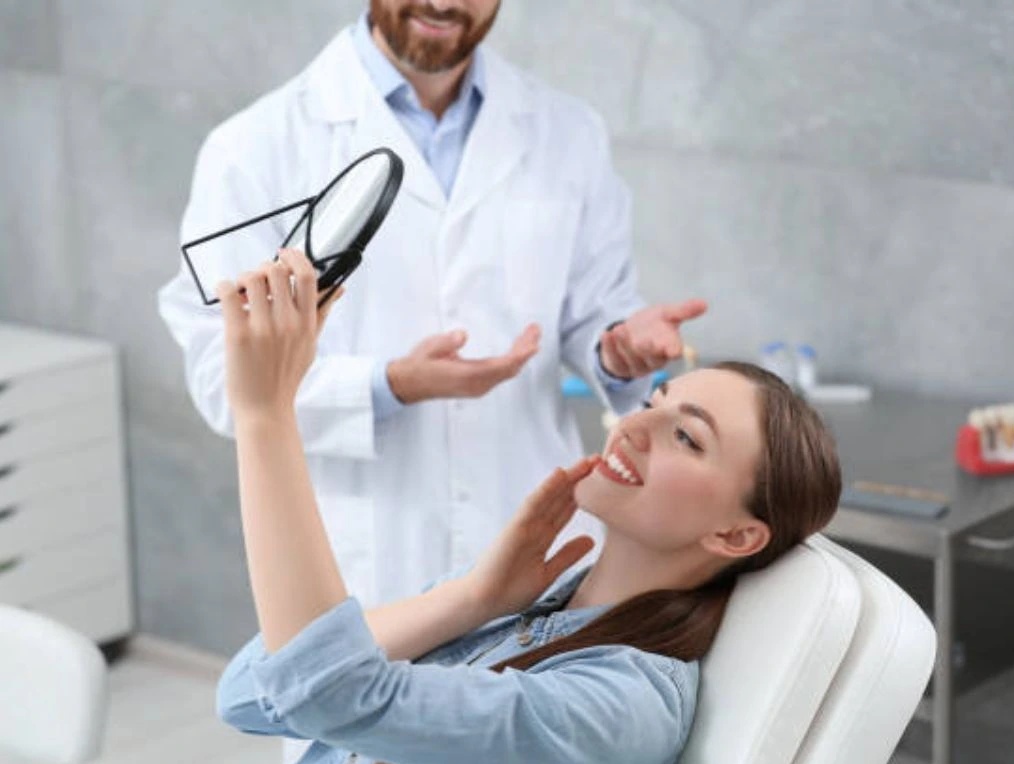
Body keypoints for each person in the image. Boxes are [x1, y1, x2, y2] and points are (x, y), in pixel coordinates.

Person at [157, 0, 707, 615]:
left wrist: (618, 348)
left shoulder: (567, 131)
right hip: (366, 552)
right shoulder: (253, 147)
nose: (445, 3)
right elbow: (220, 373)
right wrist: (388, 386)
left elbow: (595, 310)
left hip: (531, 530)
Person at [212, 252, 842, 764]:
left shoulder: (623, 705)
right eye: (655, 398)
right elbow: (247, 691)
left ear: (736, 534)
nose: (636, 425)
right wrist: (471, 599)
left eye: (687, 437)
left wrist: (266, 416)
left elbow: (323, 693)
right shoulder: (518, 610)